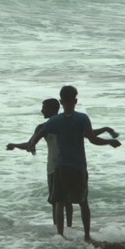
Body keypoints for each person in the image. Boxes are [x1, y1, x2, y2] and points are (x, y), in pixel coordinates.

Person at [7, 98, 118, 230]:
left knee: (61, 202)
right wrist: (15, 145)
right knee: (61, 202)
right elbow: (89, 135)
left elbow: (88, 134)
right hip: (56, 167)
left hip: (60, 166)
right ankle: (62, 229)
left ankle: (65, 230)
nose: (42, 110)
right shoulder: (50, 125)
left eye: (44, 107)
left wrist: (105, 130)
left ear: (54, 109)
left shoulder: (60, 124)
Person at [27, 86, 121, 242]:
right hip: (78, 166)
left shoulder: (55, 120)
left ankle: (60, 235)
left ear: (61, 101)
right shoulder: (82, 118)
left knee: (59, 202)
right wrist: (109, 142)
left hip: (61, 167)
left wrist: (32, 144)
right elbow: (92, 139)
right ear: (76, 100)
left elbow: (38, 135)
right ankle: (87, 236)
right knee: (83, 202)